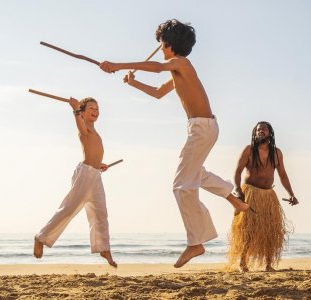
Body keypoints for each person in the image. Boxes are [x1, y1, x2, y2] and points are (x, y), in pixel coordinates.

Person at [99, 19, 251, 268]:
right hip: (203, 127)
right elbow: (159, 93)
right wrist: (133, 82)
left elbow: (157, 67)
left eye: (161, 44)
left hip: (202, 128)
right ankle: (235, 201)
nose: (160, 48)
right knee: (195, 173)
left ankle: (196, 242)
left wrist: (117, 65)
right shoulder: (178, 69)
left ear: (169, 45)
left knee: (181, 186)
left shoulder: (181, 63)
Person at [33, 97, 117, 268]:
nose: (95, 111)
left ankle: (103, 248)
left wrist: (99, 164)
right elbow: (80, 128)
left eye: (97, 108)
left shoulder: (95, 130)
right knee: (69, 209)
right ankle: (40, 238)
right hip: (85, 175)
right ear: (83, 112)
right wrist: (75, 110)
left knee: (100, 213)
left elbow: (92, 153)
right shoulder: (84, 127)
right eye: (91, 108)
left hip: (95, 175)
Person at [227, 121, 299, 272]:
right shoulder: (249, 150)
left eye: (264, 129)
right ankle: (243, 263)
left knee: (270, 230)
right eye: (258, 130)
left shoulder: (277, 153)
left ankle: (268, 264)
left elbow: (283, 175)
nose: (261, 131)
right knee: (249, 229)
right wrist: (238, 189)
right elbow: (237, 171)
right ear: (254, 133)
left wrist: (291, 194)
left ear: (270, 133)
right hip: (250, 193)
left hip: (268, 196)